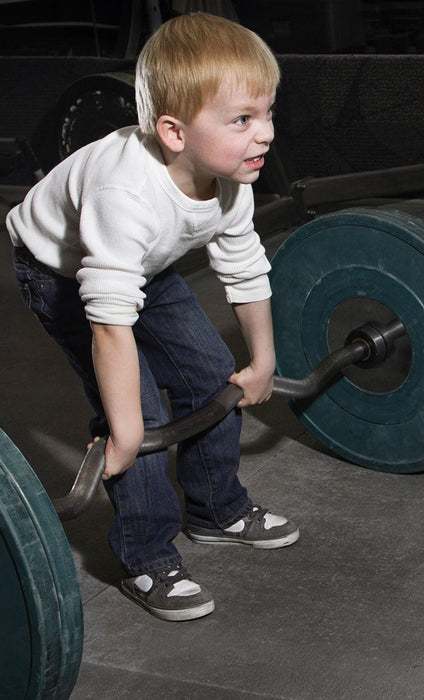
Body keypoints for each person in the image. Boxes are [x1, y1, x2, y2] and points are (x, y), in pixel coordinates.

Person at [5, 12, 299, 622]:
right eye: (243, 120)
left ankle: (215, 508)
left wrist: (263, 361)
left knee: (213, 373)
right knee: (138, 415)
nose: (265, 133)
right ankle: (145, 555)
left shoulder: (231, 176)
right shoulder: (126, 194)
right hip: (62, 269)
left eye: (267, 112)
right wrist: (126, 429)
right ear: (173, 132)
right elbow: (110, 321)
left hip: (144, 261)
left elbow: (245, 267)